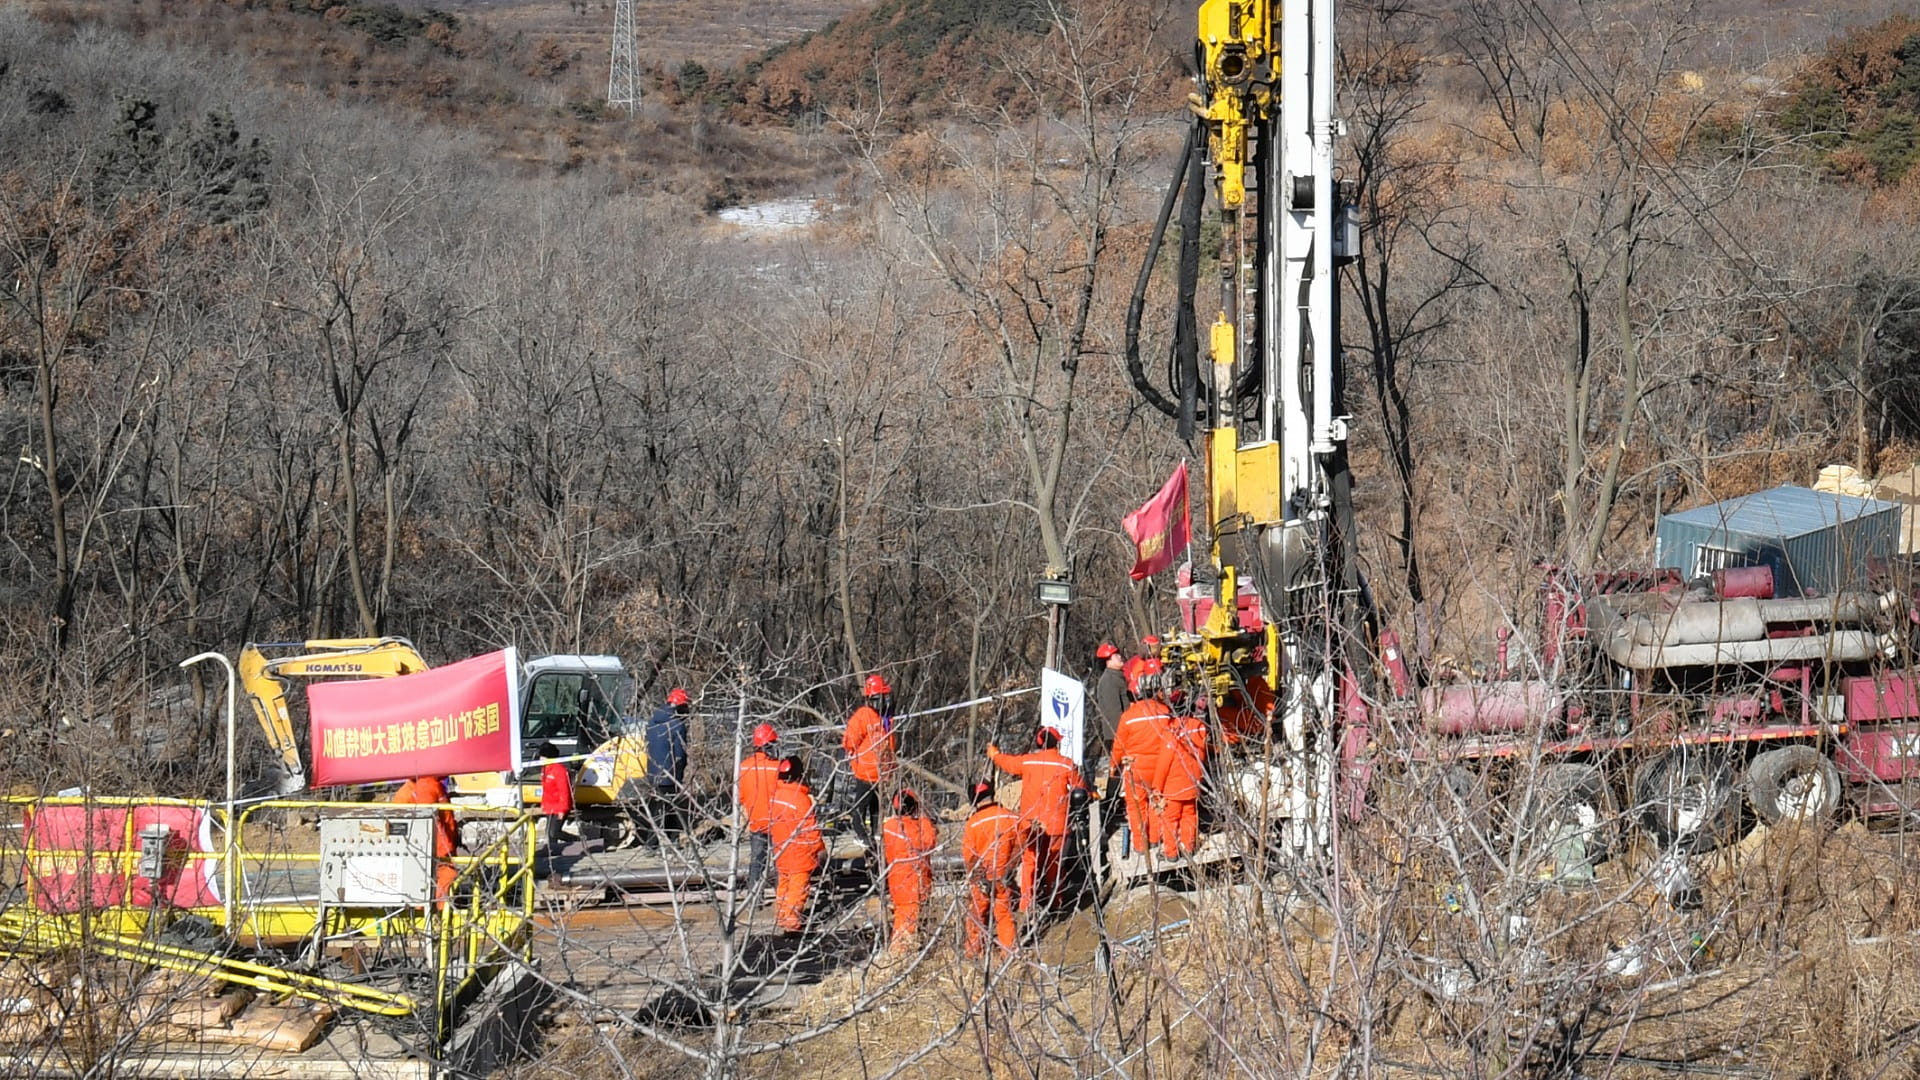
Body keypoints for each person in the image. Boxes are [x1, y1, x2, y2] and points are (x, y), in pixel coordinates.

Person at [986, 726, 1086, 914]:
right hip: (1058, 824)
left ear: (1039, 743)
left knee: (1030, 863)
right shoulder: (1066, 764)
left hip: (1031, 825)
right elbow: (1080, 787)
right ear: (1057, 742)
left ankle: (1026, 904)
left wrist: (994, 754)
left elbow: (1008, 763)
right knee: (1054, 864)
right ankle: (1056, 901)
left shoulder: (1028, 762)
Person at [1111, 678, 1175, 856]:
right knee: (1157, 802)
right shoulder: (1165, 712)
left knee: (1136, 807)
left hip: (1136, 767)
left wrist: (1113, 767)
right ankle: (1155, 839)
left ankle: (1140, 845)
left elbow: (1118, 746)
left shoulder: (1128, 716)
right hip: (1161, 767)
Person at [962, 780, 1021, 958]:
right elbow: (1021, 844)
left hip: (981, 877)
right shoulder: (1010, 817)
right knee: (1004, 914)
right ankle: (1008, 952)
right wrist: (1010, 867)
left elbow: (970, 856)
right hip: (1003, 875)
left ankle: (973, 952)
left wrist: (979, 879)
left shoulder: (972, 824)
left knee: (976, 915)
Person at [767, 756, 825, 934]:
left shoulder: (775, 796)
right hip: (799, 854)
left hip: (781, 851)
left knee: (783, 885)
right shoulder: (800, 799)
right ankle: (792, 926)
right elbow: (811, 829)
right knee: (797, 890)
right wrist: (820, 849)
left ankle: (782, 917)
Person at [842, 673, 897, 861]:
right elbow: (849, 741)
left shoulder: (886, 719)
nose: (882, 702)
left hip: (880, 774)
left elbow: (889, 745)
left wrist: (890, 768)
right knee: (860, 808)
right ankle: (861, 835)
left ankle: (875, 837)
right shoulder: (863, 716)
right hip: (865, 771)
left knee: (875, 809)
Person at [881, 788, 938, 954]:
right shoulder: (918, 828)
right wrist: (926, 820)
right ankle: (899, 955)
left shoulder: (889, 827)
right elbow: (929, 843)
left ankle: (903, 952)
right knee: (906, 924)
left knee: (902, 916)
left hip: (895, 882)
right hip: (914, 883)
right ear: (914, 807)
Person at [1151, 699, 1209, 859]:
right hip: (1193, 782)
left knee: (1170, 820)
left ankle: (1171, 853)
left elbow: (1164, 763)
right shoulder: (1199, 727)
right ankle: (1189, 847)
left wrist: (1157, 787)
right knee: (1190, 815)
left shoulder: (1173, 732)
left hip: (1174, 786)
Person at [392, 775, 457, 900]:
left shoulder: (426, 785)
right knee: (436, 894)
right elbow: (430, 826)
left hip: (431, 855)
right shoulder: (426, 786)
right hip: (435, 856)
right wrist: (445, 853)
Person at [737, 723, 782, 897]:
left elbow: (740, 797)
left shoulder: (744, 767)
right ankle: (782, 897)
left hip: (756, 821)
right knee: (780, 861)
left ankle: (754, 896)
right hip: (777, 821)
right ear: (768, 745)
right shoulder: (777, 767)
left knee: (757, 861)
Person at [645, 687, 691, 843]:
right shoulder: (677, 725)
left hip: (652, 773)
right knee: (671, 808)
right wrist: (680, 772)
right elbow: (680, 753)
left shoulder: (652, 723)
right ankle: (672, 840)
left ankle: (652, 843)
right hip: (670, 774)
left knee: (656, 808)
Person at [1091, 642, 1127, 772]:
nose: (1120, 657)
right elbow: (1114, 713)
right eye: (1115, 655)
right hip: (1118, 736)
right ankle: (1113, 793)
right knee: (1118, 772)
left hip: (1122, 735)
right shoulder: (1109, 681)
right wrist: (1124, 735)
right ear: (1108, 661)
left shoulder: (1118, 678)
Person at [537, 742, 574, 861]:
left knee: (554, 832)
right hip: (549, 806)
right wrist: (544, 804)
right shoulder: (545, 769)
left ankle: (577, 841)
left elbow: (564, 791)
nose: (540, 759)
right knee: (549, 832)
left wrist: (563, 809)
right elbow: (546, 789)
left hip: (559, 806)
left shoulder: (559, 770)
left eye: (542, 757)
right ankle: (553, 854)